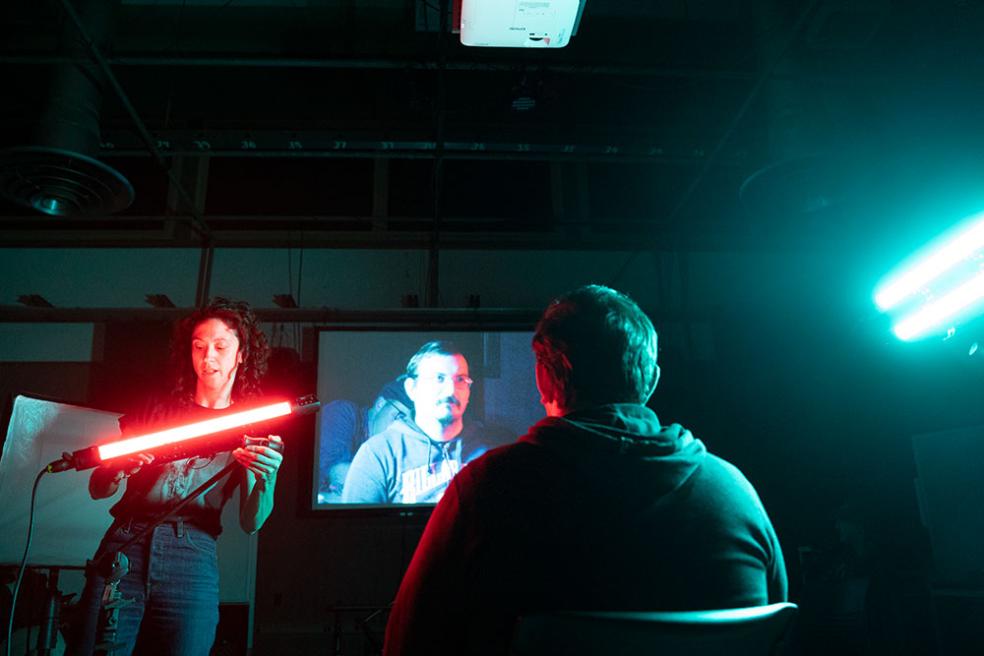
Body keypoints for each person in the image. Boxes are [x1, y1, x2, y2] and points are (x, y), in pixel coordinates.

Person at [383, 285, 788, 656]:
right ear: (652, 381)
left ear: (543, 377)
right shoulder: (735, 495)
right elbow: (779, 637)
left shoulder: (483, 492)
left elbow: (405, 645)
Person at [67, 298, 284, 656]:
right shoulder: (157, 409)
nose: (207, 356)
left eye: (220, 346)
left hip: (192, 552)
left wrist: (268, 479)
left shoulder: (252, 426)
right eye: (198, 347)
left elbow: (251, 521)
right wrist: (119, 466)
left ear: (242, 353)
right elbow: (98, 489)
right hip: (128, 541)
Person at [342, 341, 479, 504]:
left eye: (461, 380)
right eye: (439, 378)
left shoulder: (493, 449)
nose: (451, 390)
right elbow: (356, 527)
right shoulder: (377, 454)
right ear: (411, 389)